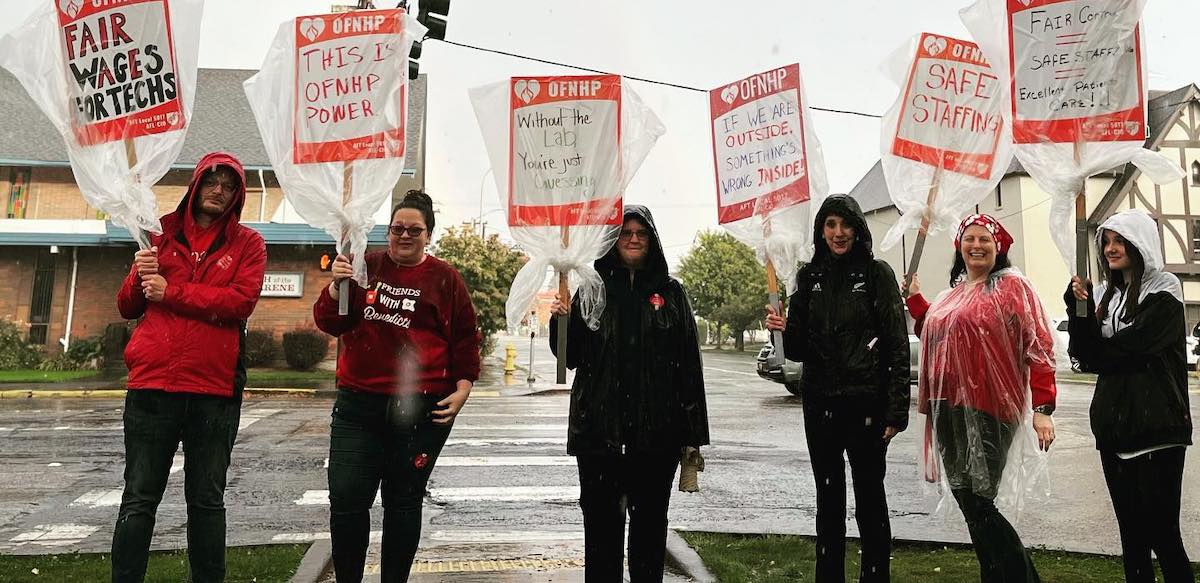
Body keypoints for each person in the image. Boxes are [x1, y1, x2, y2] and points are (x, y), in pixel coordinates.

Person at [112, 152, 267, 583]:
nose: (219, 190)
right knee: (139, 498)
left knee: (206, 500)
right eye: (212, 181)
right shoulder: (156, 232)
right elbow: (129, 306)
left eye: (229, 185)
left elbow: (240, 302)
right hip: (152, 385)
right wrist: (138, 274)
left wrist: (172, 290)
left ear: (237, 195)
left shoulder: (248, 244)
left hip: (213, 392)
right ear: (195, 184)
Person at [313, 190, 480, 583]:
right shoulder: (363, 266)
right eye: (397, 228)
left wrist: (463, 387)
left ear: (428, 235)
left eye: (414, 230)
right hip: (358, 406)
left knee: (403, 505)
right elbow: (330, 322)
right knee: (348, 501)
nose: (404, 236)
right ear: (387, 232)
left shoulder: (445, 278)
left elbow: (464, 339)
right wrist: (338, 287)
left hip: (420, 411)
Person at [549, 205, 709, 583]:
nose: (633, 239)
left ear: (652, 239)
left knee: (649, 534)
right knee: (601, 536)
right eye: (625, 232)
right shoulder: (592, 288)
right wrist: (561, 321)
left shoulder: (671, 293)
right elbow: (571, 358)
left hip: (657, 438)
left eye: (641, 232)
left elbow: (689, 365)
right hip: (599, 436)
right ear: (613, 240)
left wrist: (693, 437)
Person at [764, 194, 910, 583]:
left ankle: (874, 576)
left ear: (857, 228)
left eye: (845, 225)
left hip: (866, 405)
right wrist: (782, 327)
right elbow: (797, 349)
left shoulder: (876, 274)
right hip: (821, 405)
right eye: (830, 225)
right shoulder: (808, 277)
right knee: (828, 501)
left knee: (870, 501)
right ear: (820, 230)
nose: (838, 233)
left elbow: (896, 343)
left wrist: (896, 411)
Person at [905, 214, 1055, 583]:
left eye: (985, 239)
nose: (976, 245)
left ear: (998, 246)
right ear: (959, 246)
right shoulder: (952, 294)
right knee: (964, 494)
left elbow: (1039, 345)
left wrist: (1043, 408)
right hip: (947, 408)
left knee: (979, 500)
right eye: (969, 238)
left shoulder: (1012, 288)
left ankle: (1019, 577)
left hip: (989, 407)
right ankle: (995, 574)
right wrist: (915, 301)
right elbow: (937, 333)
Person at [1066, 209, 1194, 583]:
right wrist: (1079, 307)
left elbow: (1127, 350)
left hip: (1157, 428)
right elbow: (1083, 353)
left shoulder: (1164, 289)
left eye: (1119, 240)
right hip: (1115, 429)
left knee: (1163, 534)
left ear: (1139, 243)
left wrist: (1093, 345)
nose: (1110, 248)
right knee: (1132, 535)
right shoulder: (1103, 294)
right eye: (1106, 241)